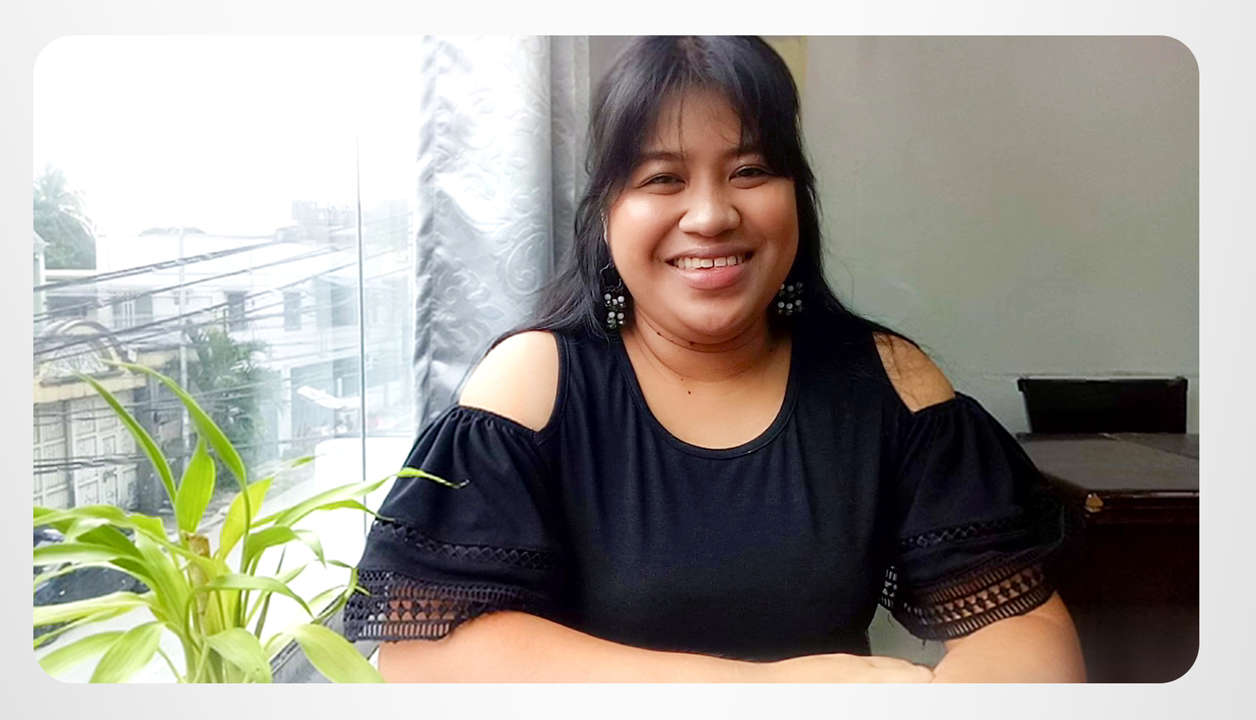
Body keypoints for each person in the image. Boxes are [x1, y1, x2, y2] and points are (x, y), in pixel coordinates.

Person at [344, 36, 1085, 682]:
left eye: (751, 170)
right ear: (606, 212)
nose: (710, 215)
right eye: (662, 178)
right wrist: (775, 694)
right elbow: (426, 658)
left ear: (798, 196)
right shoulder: (534, 382)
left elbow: (1024, 632)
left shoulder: (888, 379)